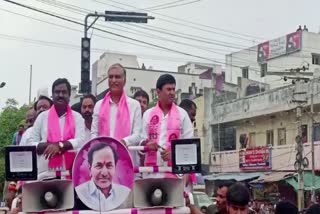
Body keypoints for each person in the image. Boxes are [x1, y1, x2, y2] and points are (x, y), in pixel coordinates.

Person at [30, 78, 85, 177]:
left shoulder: (77, 117)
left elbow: (81, 141)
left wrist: (60, 145)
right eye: (57, 92)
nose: (60, 95)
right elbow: (31, 143)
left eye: (64, 92)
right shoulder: (42, 117)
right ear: (52, 95)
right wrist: (49, 146)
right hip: (45, 175)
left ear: (69, 96)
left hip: (71, 174)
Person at [141, 74, 194, 177]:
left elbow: (190, 146)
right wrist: (147, 145)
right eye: (168, 89)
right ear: (158, 92)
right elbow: (141, 141)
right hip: (151, 174)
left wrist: (174, 154)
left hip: (175, 175)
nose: (172, 93)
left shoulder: (182, 114)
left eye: (173, 89)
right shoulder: (148, 114)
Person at [91, 63, 142, 147]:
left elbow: (138, 135)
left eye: (117, 77)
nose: (113, 80)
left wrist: (123, 142)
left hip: (126, 155)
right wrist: (99, 145)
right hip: (103, 154)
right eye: (111, 77)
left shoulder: (134, 105)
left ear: (124, 81)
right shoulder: (99, 105)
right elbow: (94, 133)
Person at [75, 143, 130, 210]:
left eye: (109, 165)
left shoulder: (124, 192)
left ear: (115, 167)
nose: (104, 173)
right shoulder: (80, 192)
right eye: (99, 166)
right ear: (90, 168)